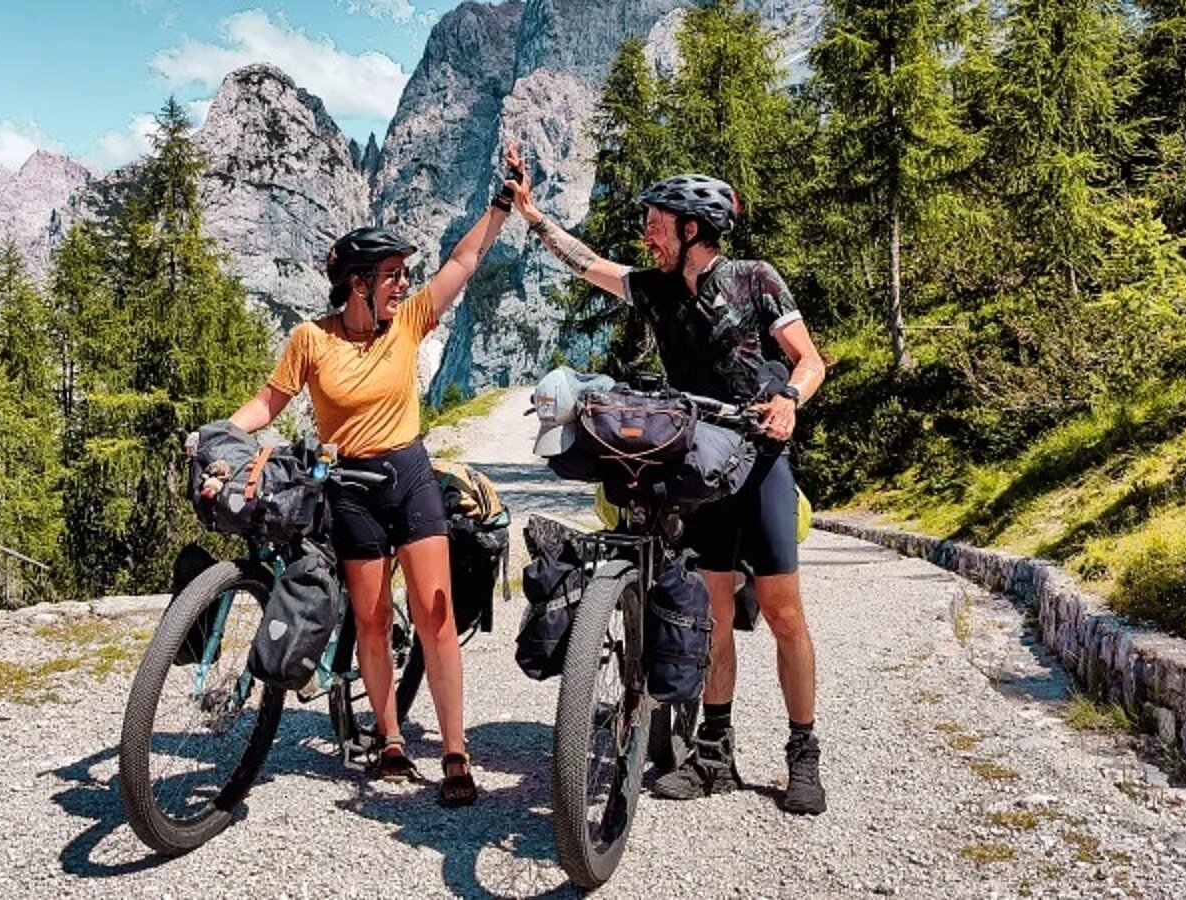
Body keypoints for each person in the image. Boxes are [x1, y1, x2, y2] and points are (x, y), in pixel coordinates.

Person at [513, 172, 829, 815]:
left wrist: (790, 400)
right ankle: (713, 750)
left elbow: (809, 359)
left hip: (760, 458)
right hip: (701, 462)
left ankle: (803, 752)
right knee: (711, 611)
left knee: (784, 614)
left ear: (691, 228)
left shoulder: (755, 279)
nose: (647, 234)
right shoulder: (654, 289)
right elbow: (587, 264)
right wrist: (531, 215)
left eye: (657, 222)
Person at [229, 143, 528, 807]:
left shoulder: (411, 322)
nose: (402, 283)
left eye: (401, 274)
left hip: (410, 474)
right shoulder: (312, 339)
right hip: (351, 489)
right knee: (368, 622)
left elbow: (464, 261)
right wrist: (221, 431)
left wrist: (501, 205)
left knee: (434, 615)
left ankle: (455, 751)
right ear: (358, 282)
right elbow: (267, 404)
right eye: (391, 274)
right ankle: (389, 738)